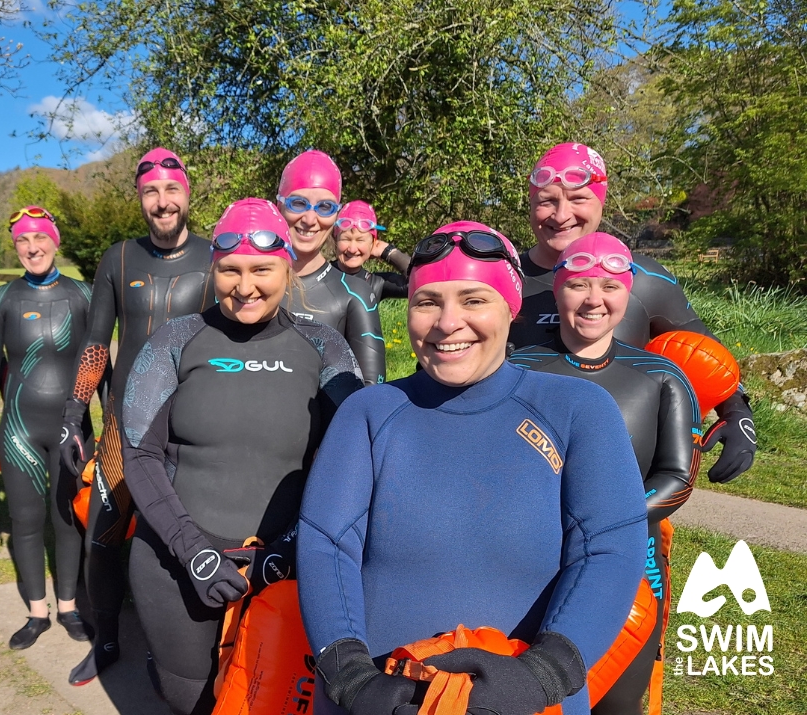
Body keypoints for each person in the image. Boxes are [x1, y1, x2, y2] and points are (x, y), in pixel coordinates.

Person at [298, 221, 648, 715]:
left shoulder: (577, 409)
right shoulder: (371, 412)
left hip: (528, 699)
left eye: (473, 300)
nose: (447, 322)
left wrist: (544, 676)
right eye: (427, 302)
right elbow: (325, 546)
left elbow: (611, 550)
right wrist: (352, 677)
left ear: (512, 306)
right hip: (375, 697)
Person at [121, 198, 363, 715]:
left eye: (262, 269)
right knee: (188, 697)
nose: (244, 285)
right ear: (214, 268)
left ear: (287, 266)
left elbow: (353, 461)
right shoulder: (177, 340)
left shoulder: (323, 348)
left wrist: (291, 548)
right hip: (175, 558)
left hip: (287, 561)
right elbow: (140, 455)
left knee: (271, 696)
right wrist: (194, 553)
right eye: (230, 269)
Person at [510, 232, 700, 715]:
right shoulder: (517, 368)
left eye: (610, 287)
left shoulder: (662, 376)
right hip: (530, 565)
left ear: (628, 293)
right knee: (530, 696)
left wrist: (600, 522)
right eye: (579, 285)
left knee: (617, 702)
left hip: (632, 571)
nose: (595, 299)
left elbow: (677, 478)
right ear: (557, 289)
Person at [58, 147, 216, 685]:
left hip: (190, 431)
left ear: (187, 194)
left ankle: (168, 651)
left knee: (174, 541)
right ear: (140, 199)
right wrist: (73, 412)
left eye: (172, 190)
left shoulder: (217, 257)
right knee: (100, 539)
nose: (163, 202)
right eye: (151, 192)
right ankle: (105, 641)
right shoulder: (118, 258)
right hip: (124, 431)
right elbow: (96, 344)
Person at [511, 142, 755, 484]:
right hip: (520, 472)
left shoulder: (645, 279)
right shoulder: (504, 279)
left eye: (578, 199)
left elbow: (705, 351)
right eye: (547, 200)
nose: (561, 214)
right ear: (532, 205)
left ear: (601, 201)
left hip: (623, 475)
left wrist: (738, 412)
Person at [0, 206, 93, 649]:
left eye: (40, 238)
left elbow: (101, 362)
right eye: (22, 241)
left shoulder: (82, 294)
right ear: (15, 246)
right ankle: (38, 612)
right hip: (19, 428)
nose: (32, 248)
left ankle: (70, 606)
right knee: (26, 519)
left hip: (71, 427)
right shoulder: (4, 299)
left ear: (55, 241)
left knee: (68, 520)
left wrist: (112, 419)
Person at [276, 151, 387, 384]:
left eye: (324, 207)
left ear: (336, 213)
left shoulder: (355, 293)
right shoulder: (242, 285)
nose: (309, 219)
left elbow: (369, 395)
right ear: (279, 205)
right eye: (298, 203)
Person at [331, 200, 411, 302]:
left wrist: (388, 252)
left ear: (372, 244)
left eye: (360, 240)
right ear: (336, 240)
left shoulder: (376, 283)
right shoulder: (319, 274)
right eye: (345, 239)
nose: (352, 249)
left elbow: (423, 281)